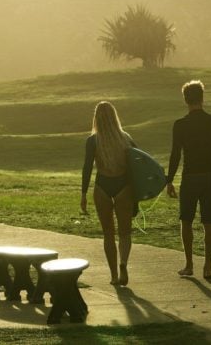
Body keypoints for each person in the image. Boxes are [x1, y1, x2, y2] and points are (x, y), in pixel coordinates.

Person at [165, 80, 211, 280]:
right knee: (209, 223)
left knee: (186, 222)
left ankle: (189, 265)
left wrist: (169, 180)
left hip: (190, 178)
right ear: (202, 98)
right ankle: (208, 267)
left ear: (185, 100)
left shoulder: (180, 125)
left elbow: (175, 154)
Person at [81, 101, 136, 286]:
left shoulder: (93, 140)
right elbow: (139, 165)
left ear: (96, 118)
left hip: (102, 187)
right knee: (125, 232)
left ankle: (113, 275)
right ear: (114, 117)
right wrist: (138, 196)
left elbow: (87, 167)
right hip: (123, 187)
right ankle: (123, 264)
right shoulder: (126, 138)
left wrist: (83, 194)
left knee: (108, 233)